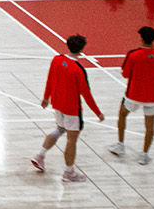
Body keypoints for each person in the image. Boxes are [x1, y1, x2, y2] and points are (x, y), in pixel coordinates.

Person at [31, 34, 104, 182]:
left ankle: (40, 156)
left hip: (57, 105)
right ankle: (69, 172)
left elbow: (50, 78)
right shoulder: (78, 69)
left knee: (59, 129)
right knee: (72, 140)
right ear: (82, 49)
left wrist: (46, 97)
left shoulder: (57, 59)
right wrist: (98, 113)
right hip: (71, 109)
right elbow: (86, 94)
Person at [109, 26, 154, 165]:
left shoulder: (133, 55)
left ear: (141, 38)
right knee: (150, 126)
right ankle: (144, 154)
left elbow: (125, 74)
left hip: (134, 94)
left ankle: (120, 144)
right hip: (153, 96)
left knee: (122, 115)